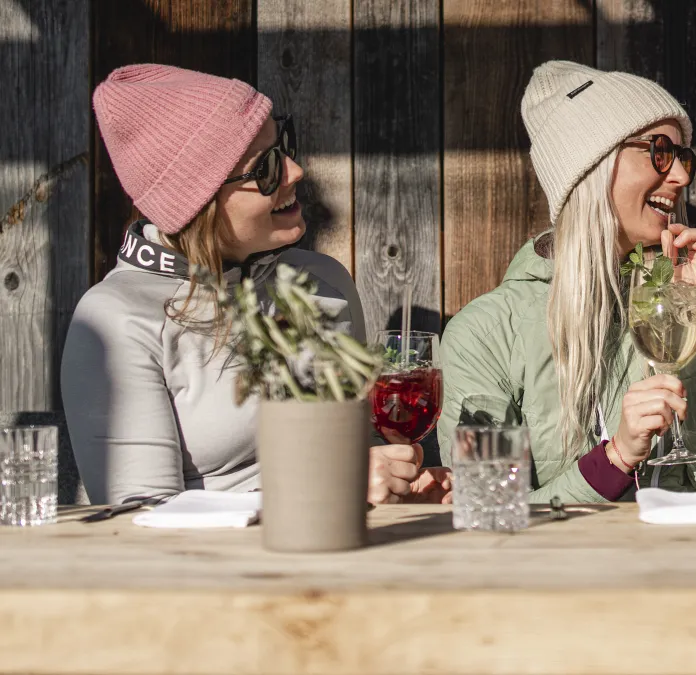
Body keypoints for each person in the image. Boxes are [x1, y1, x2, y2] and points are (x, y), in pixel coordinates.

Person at [63, 64, 446, 505]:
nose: (295, 171)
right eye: (265, 168)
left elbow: (353, 465)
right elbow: (138, 523)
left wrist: (401, 487)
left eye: (284, 146)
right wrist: (327, 490)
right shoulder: (116, 319)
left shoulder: (323, 282)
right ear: (198, 202)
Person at [438, 61, 696, 502]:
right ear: (591, 169)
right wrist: (614, 460)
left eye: (683, 157)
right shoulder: (484, 334)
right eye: (660, 151)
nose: (682, 176)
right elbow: (487, 507)